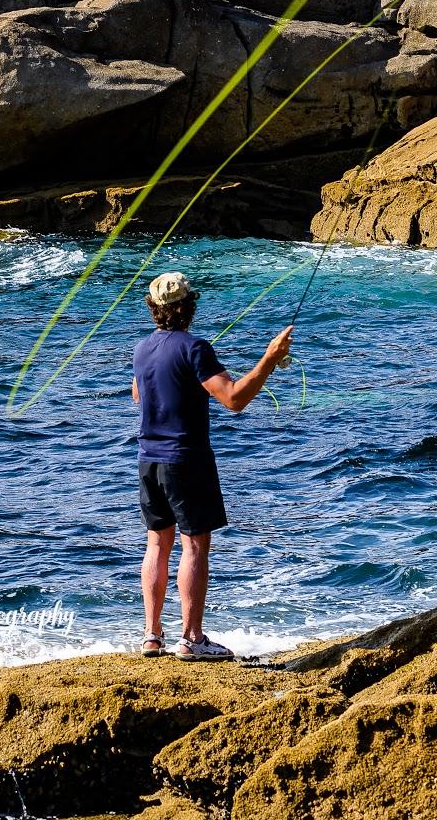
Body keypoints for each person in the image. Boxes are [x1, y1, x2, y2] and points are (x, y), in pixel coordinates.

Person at [130, 271, 292, 661]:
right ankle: (192, 639)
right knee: (195, 546)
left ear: (154, 309)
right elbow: (234, 399)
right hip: (186, 460)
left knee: (156, 544)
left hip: (148, 459)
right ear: (188, 307)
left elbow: (139, 396)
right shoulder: (194, 347)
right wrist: (269, 359)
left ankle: (152, 637)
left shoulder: (141, 348)